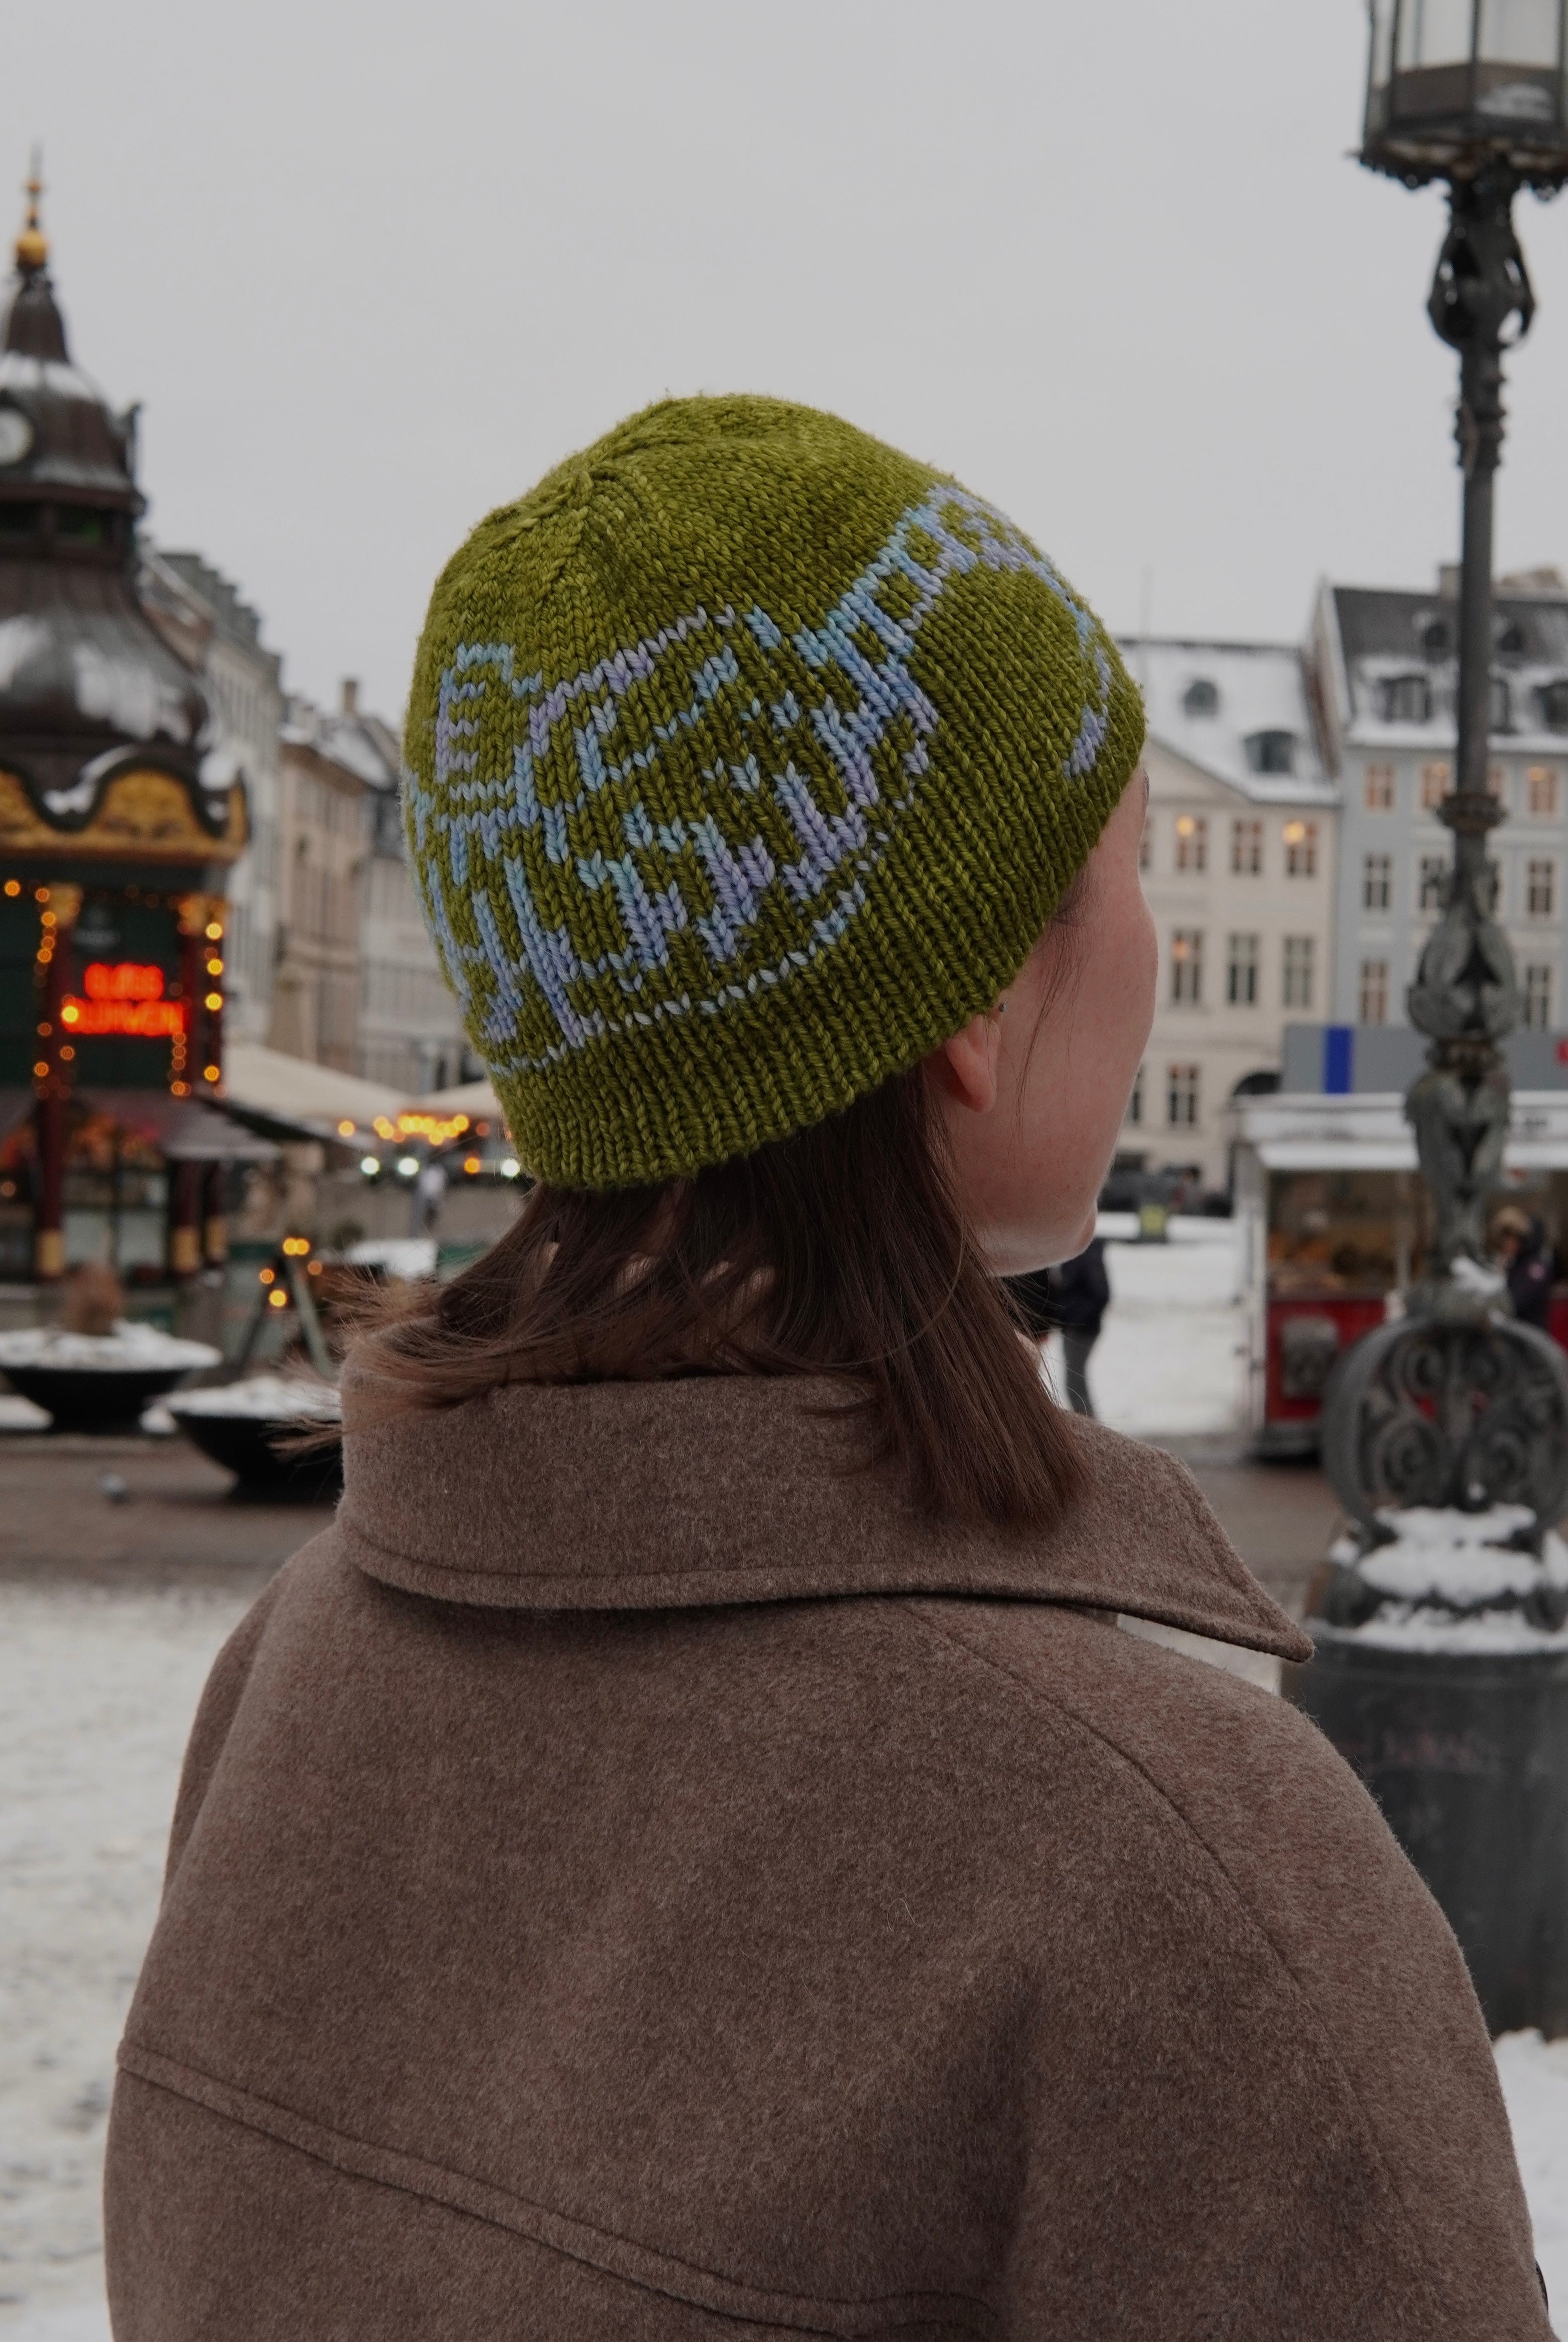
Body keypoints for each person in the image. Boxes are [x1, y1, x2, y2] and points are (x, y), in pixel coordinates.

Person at [105, 399, 1550, 2340]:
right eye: (1121, 863)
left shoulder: (298, 1662)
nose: (1151, 943)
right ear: (972, 1004)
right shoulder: (1191, 1867)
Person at [1008, 1237, 1111, 1416]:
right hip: (1063, 1327)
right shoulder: (1070, 1255)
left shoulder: (1086, 1255)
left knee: (1073, 1383)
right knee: (1069, 1382)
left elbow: (1100, 1294)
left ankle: (1089, 1423)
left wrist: (1071, 1317)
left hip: (1078, 1329)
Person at [1494, 1204, 1555, 1332]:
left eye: (1510, 1237)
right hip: (1516, 1332)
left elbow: (1516, 1303)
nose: (1505, 1243)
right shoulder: (1516, 1265)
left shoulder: (1535, 1268)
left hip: (1530, 1334)